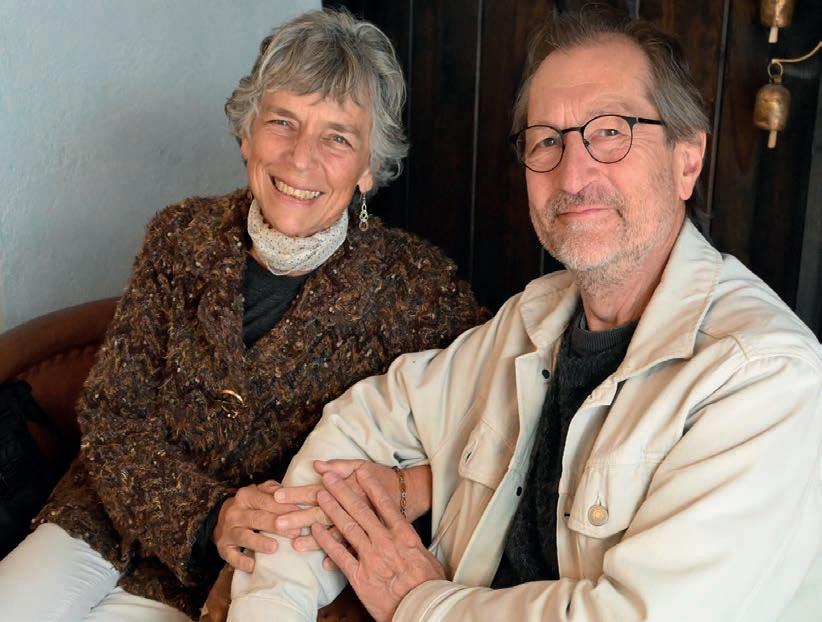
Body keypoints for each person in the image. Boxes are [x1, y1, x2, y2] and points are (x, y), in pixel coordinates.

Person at [227, 8, 822, 622]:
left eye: (610, 131)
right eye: (547, 140)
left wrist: (418, 602)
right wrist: (271, 607)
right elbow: (361, 425)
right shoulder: (535, 317)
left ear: (686, 160)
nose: (573, 173)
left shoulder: (766, 377)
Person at [0, 9, 486, 622]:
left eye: (337, 137)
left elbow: (498, 426)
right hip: (106, 515)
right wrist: (207, 515)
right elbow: (111, 411)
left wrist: (411, 487)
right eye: (282, 122)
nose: (301, 157)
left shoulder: (416, 287)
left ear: (368, 167)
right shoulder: (179, 237)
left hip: (237, 574)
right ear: (247, 135)